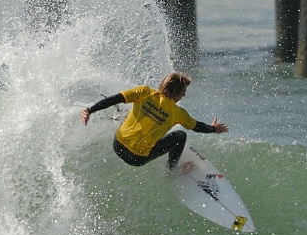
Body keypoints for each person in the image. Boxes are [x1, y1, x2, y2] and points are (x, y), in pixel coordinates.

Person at [81, 72, 229, 170]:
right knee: (180, 136)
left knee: (132, 113)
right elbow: (197, 127)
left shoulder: (144, 92)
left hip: (117, 144)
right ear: (177, 92)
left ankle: (121, 118)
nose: (183, 96)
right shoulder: (177, 113)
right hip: (135, 158)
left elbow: (115, 98)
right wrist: (214, 129)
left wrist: (90, 110)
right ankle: (172, 171)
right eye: (183, 92)